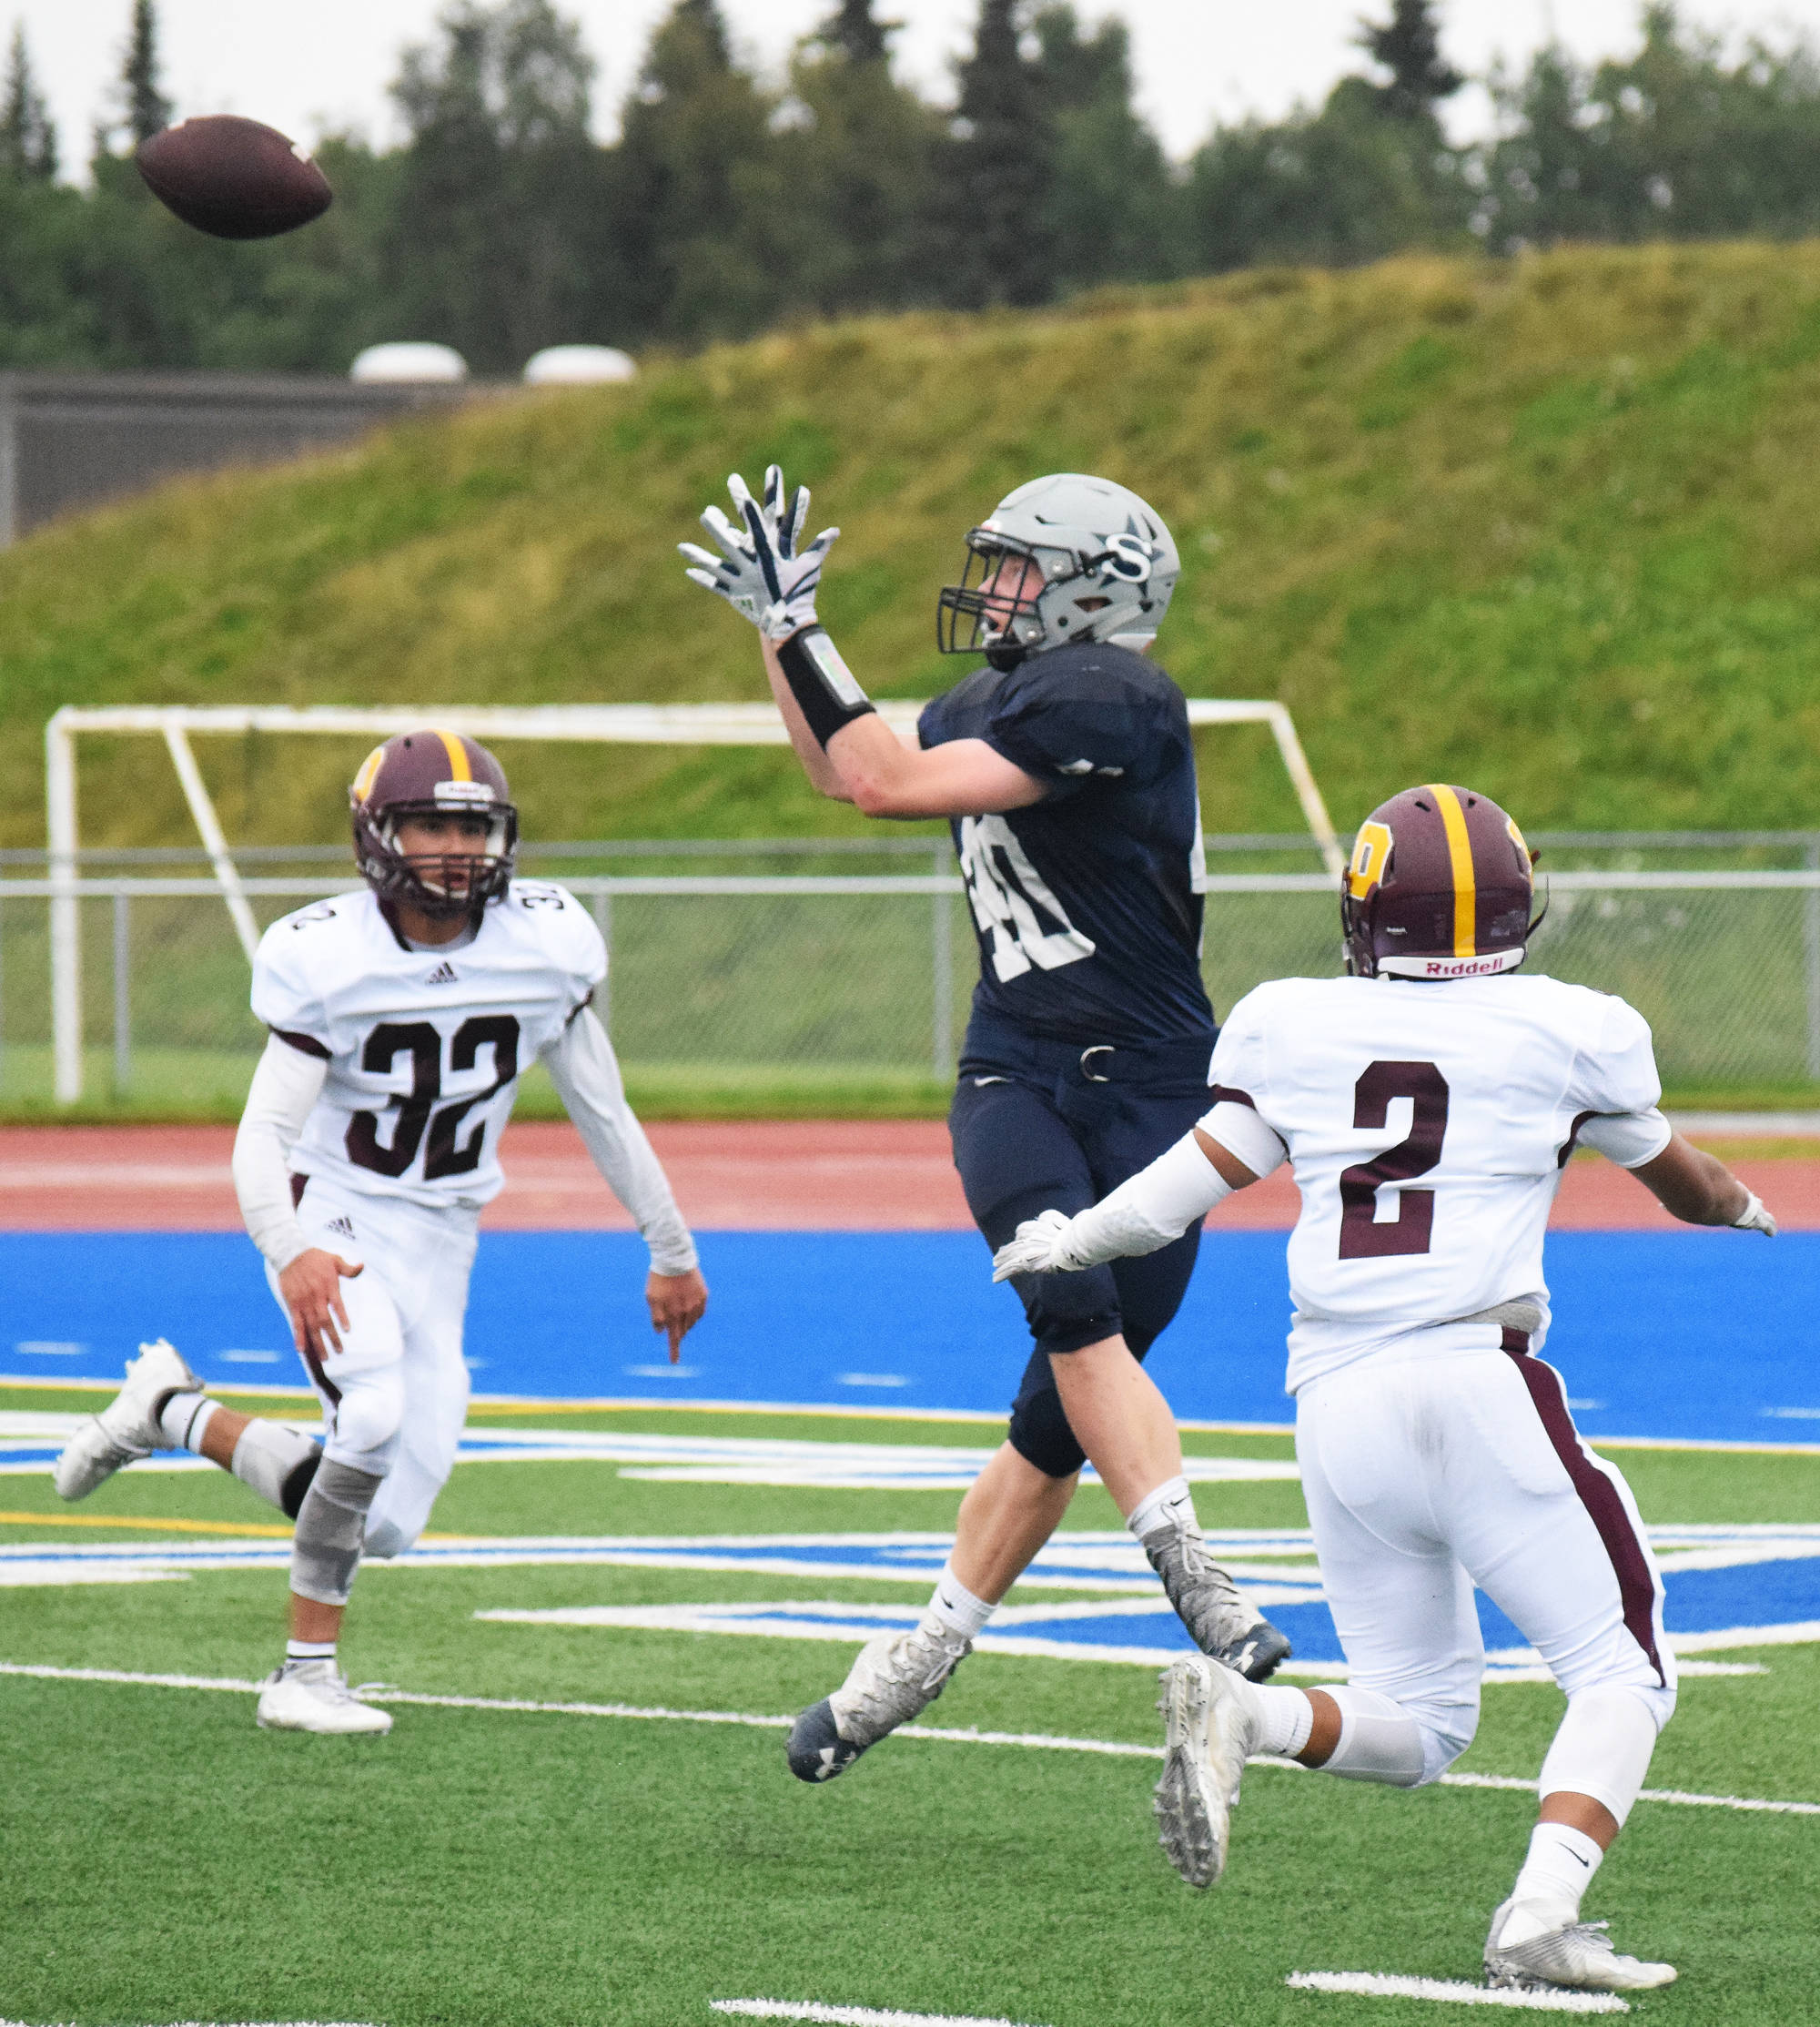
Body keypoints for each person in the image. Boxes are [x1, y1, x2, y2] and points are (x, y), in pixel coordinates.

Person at [991, 782, 1777, 1996]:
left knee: (1420, 1721)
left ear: (1366, 907)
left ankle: (1244, 1716)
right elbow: (1686, 1180)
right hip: (1472, 1378)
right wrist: (1740, 1206)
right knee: (1624, 1670)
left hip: (1338, 1404)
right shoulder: (1570, 1028)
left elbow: (1180, 1187)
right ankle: (1539, 1912)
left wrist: (1069, 1241)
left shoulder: (1294, 1023)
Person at [682, 465, 1289, 1783]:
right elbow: (848, 774)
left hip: (1157, 1081)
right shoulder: (996, 698)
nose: (990, 589)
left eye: (1018, 567)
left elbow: (890, 781)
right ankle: (1189, 1559)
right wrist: (777, 640)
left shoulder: (1115, 693)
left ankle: (923, 1650)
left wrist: (800, 630)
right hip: (1015, 1067)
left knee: (1057, 1415)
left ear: (1093, 585)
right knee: (1070, 1309)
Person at [55, 730, 708, 1734]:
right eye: (430, 824)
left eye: (471, 825)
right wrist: (291, 1247)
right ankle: (303, 1673)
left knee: (387, 1521)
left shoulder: (545, 943)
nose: (454, 847)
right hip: (338, 1207)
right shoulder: (328, 956)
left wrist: (670, 1250)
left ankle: (171, 1411)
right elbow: (261, 1136)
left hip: (446, 1232)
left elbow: (602, 1110)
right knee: (367, 1412)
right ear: (378, 834)